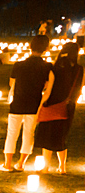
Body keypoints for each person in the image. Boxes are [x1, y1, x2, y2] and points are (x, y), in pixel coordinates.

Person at [0, 36, 53, 172]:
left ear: (30, 47)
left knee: (12, 133)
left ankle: (7, 164)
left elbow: (12, 83)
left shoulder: (19, 65)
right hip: (34, 103)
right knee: (29, 133)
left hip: (18, 102)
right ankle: (21, 163)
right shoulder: (47, 66)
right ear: (46, 49)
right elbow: (46, 86)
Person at [33, 42, 84, 174]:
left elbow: (49, 89)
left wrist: (41, 104)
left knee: (47, 135)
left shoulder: (57, 67)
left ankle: (46, 166)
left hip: (52, 104)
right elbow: (79, 87)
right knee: (61, 136)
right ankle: (62, 166)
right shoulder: (80, 69)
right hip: (68, 105)